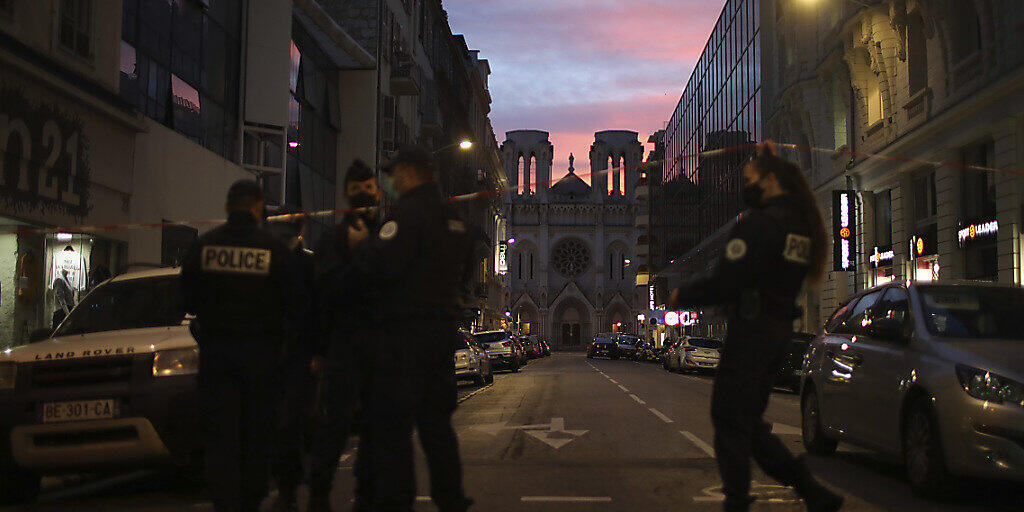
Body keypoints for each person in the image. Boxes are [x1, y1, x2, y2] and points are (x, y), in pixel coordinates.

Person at [669, 142, 843, 512]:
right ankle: (813, 492)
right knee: (745, 420)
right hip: (777, 331)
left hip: (752, 331)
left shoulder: (759, 225)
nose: (744, 187)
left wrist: (682, 295)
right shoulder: (798, 227)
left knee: (730, 419)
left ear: (769, 181)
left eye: (749, 179)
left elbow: (727, 280)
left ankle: (739, 502)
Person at [347, 146, 474, 512]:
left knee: (393, 429)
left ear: (407, 172)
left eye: (393, 173)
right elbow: (463, 276)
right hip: (440, 337)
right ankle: (451, 501)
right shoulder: (456, 219)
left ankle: (395, 502)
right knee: (437, 426)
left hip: (402, 338)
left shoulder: (406, 215)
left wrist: (361, 247)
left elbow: (378, 268)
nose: (390, 181)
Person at [181, 180, 305, 512]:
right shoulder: (273, 250)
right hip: (261, 358)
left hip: (217, 356)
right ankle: (251, 499)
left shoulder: (205, 246)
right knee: (256, 433)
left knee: (220, 437)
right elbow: (294, 304)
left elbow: (186, 299)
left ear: (228, 206)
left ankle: (225, 501)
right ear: (258, 206)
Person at [307, 160, 383, 512]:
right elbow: (324, 297)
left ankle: (365, 499)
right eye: (359, 192)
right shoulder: (335, 240)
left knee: (373, 437)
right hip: (346, 351)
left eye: (369, 190)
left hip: (376, 353)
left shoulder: (387, 234)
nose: (365, 199)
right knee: (334, 431)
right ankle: (320, 498)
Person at [267, 204, 317, 512]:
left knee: (287, 422)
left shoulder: (300, 264)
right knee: (286, 422)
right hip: (286, 355)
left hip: (289, 355)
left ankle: (288, 484)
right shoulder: (299, 264)